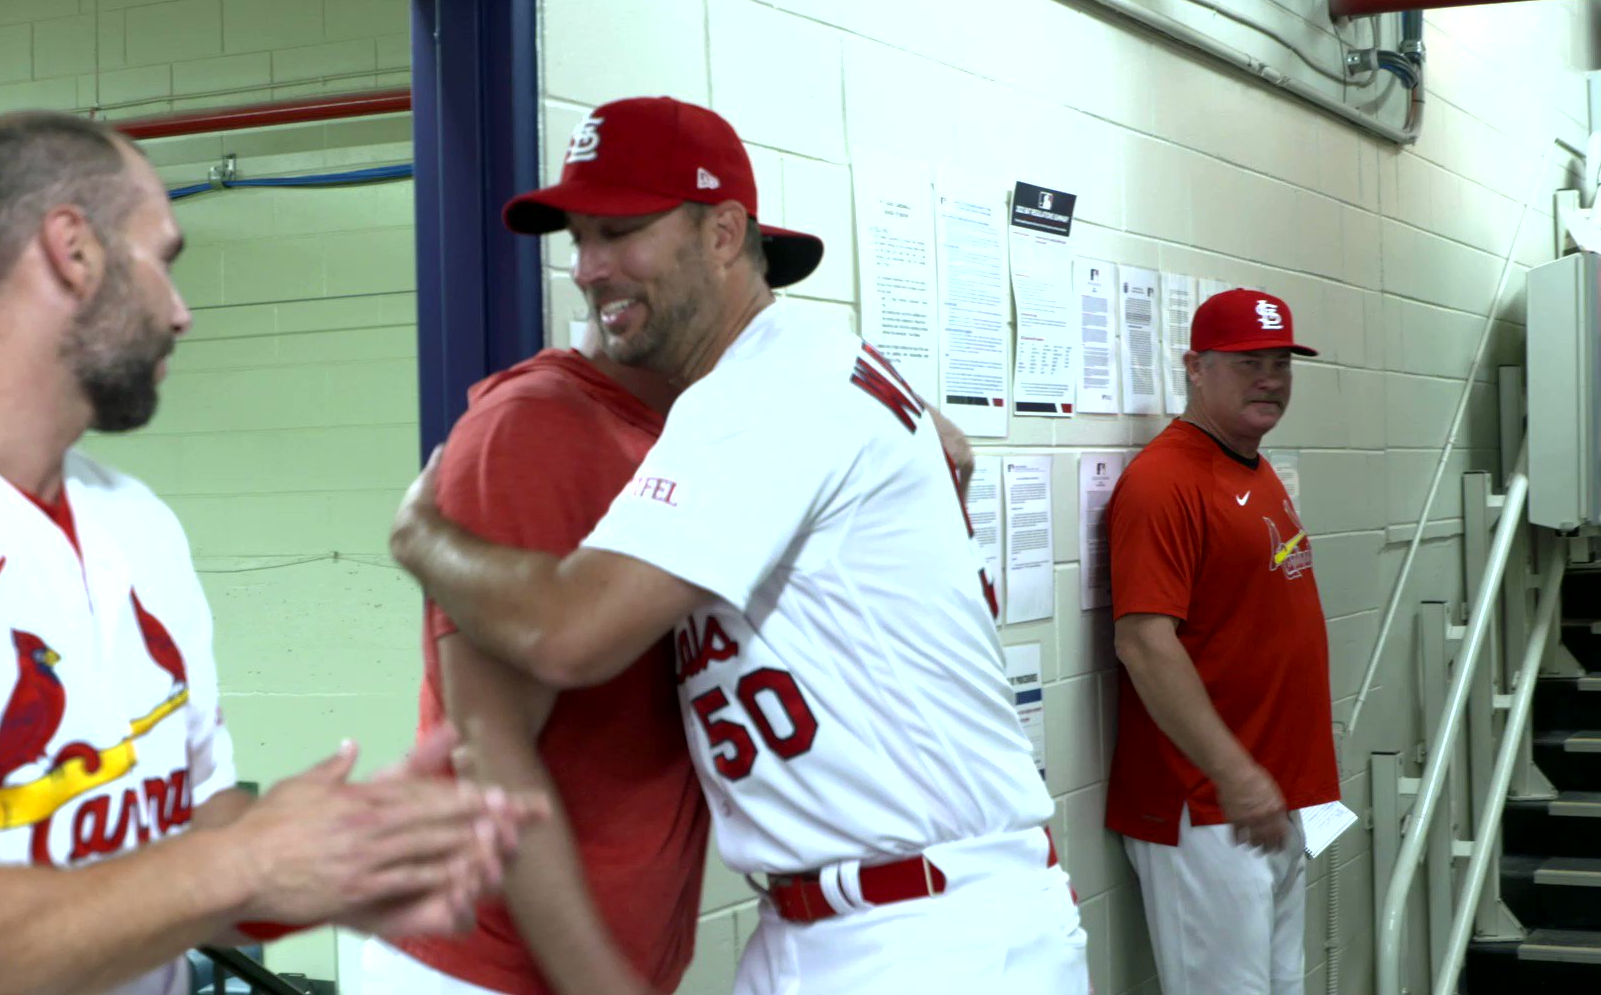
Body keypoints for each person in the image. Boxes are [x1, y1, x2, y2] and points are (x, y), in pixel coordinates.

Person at [388, 96, 1087, 993]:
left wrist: (420, 539)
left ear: (722, 233)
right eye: (579, 239)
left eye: (621, 232)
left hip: (932, 933)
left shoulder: (768, 388)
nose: (589, 268)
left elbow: (571, 631)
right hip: (826, 921)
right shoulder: (781, 377)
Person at [0, 111, 545, 995]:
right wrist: (245, 865)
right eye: (164, 257)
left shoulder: (137, 522)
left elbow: (190, 840)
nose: (181, 313)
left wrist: (341, 858)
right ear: (74, 250)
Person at [362, 325, 712, 994]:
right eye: (592, 239)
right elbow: (486, 745)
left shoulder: (689, 440)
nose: (591, 265)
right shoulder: (533, 421)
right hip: (481, 970)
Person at [1104, 288, 1338, 995]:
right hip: (1204, 805)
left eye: (1280, 363)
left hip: (1271, 796)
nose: (1269, 378)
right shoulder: (1163, 481)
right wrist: (1234, 774)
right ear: (1195, 368)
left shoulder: (1256, 468)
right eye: (1247, 363)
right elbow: (1144, 643)